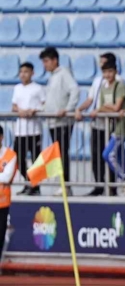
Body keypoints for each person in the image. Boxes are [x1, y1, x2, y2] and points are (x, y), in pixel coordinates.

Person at [76, 52, 120, 197]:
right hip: (96, 123)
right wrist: (80, 109)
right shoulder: (97, 80)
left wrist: (100, 110)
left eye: (103, 63)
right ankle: (99, 184)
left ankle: (112, 186)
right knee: (95, 155)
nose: (100, 65)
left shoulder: (118, 81)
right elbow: (90, 99)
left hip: (109, 123)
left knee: (109, 155)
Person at [40, 47, 78, 196]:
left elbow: (75, 90)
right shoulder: (53, 77)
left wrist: (68, 109)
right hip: (53, 121)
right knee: (58, 154)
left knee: (62, 153)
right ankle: (62, 183)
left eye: (47, 61)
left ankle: (65, 185)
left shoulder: (63, 73)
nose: (45, 65)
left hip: (62, 122)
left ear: (55, 60)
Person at [92, 61, 125, 186]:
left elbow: (116, 107)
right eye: (105, 72)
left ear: (115, 71)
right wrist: (105, 108)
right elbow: (104, 106)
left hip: (121, 126)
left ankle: (124, 178)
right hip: (112, 125)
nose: (108, 74)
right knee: (122, 157)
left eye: (110, 71)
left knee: (108, 155)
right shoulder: (104, 88)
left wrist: (103, 108)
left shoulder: (120, 85)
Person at [12, 62, 45, 196]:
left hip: (34, 130)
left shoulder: (37, 88)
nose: (23, 74)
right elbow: (13, 106)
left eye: (26, 72)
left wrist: (34, 110)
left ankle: (35, 186)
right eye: (21, 72)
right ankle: (29, 182)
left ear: (32, 73)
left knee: (35, 160)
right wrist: (20, 110)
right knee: (18, 159)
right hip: (20, 130)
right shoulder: (17, 88)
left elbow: (44, 104)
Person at [0, 126, 17, 258]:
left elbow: (7, 177)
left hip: (2, 202)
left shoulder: (10, 155)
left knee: (0, 234)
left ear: (1, 137)